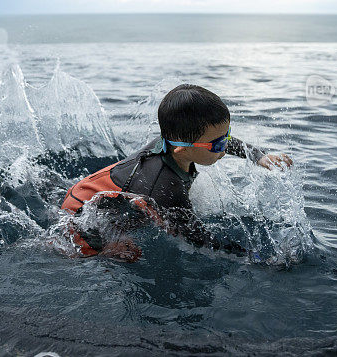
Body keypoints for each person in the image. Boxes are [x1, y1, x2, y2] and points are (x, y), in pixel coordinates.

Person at [60, 84, 292, 262]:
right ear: (182, 147)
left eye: (227, 135)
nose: (224, 148)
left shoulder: (175, 142)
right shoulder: (165, 187)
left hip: (102, 189)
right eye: (217, 146)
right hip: (79, 214)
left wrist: (259, 156)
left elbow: (223, 141)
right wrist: (257, 257)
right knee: (126, 256)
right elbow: (198, 239)